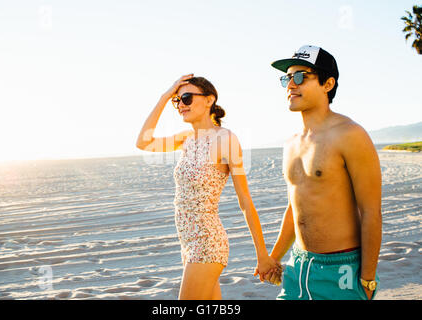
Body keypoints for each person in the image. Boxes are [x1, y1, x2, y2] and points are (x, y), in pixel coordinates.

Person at [136, 74, 281, 300]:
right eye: (177, 100)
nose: (180, 105)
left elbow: (244, 200)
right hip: (187, 242)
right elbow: (143, 142)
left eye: (186, 98)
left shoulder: (226, 139)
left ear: (209, 100)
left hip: (207, 243)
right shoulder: (185, 138)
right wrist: (165, 96)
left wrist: (262, 255)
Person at [265, 45, 382, 300]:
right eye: (287, 78)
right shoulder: (291, 142)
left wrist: (368, 279)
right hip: (298, 266)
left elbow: (371, 211)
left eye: (300, 77)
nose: (290, 85)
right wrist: (273, 257)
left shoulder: (350, 135)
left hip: (341, 269)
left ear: (327, 84)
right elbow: (295, 208)